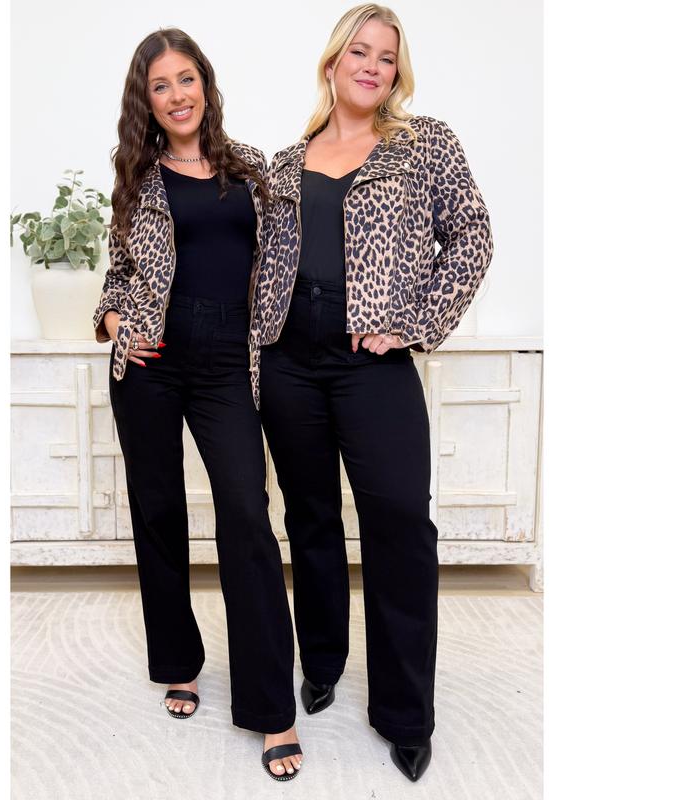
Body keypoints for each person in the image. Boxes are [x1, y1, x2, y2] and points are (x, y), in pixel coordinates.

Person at [250, 3, 493, 783]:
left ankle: (404, 713)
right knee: (311, 519)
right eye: (360, 51)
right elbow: (258, 261)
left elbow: (472, 237)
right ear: (333, 62)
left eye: (386, 57)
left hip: (371, 366)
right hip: (289, 362)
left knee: (400, 527)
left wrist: (414, 323)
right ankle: (322, 663)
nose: (372, 66)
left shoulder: (425, 145)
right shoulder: (284, 163)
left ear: (397, 73)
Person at [93, 28, 303, 781]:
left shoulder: (249, 168)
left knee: (246, 514)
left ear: (206, 85)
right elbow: (117, 277)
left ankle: (271, 706)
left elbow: (281, 263)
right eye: (161, 85)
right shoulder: (136, 178)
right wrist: (115, 324)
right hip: (150, 361)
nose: (177, 95)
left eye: (187, 79)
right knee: (158, 513)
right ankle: (178, 663)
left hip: (227, 362)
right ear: (145, 101)